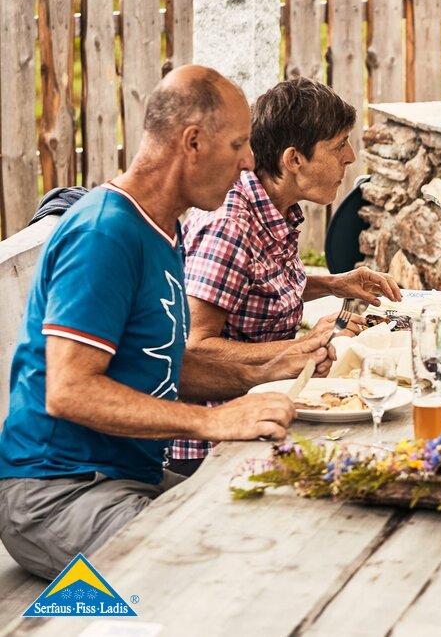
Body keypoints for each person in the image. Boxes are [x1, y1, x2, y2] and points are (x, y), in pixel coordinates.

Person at [0, 66, 327, 580]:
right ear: (193, 142)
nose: (248, 162)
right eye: (239, 144)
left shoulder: (162, 230)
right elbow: (68, 390)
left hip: (128, 478)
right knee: (203, 573)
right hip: (58, 493)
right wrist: (210, 421)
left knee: (285, 526)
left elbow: (162, 367)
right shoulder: (106, 234)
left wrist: (267, 371)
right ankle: (63, 620)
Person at [168, 77, 401, 475]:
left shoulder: (273, 209)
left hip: (266, 406)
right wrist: (304, 345)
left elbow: (251, 286)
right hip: (216, 442)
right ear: (294, 160)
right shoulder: (230, 225)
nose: (350, 157)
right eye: (338, 145)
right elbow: (193, 348)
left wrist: (333, 283)